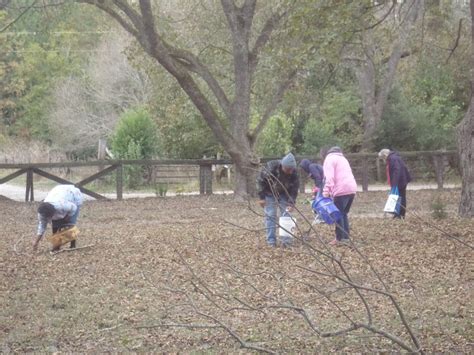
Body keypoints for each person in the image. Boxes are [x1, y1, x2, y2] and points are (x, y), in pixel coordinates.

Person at [257, 152, 299, 247]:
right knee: (270, 215)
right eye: (288, 169)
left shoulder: (294, 172)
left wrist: (291, 203)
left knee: (286, 214)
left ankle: (286, 241)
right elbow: (260, 181)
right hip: (269, 193)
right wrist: (262, 198)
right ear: (282, 165)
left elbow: (294, 189)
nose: (290, 172)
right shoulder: (271, 167)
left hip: (284, 194)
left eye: (292, 169)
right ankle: (271, 241)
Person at [321, 146, 357, 246]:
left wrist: (326, 192)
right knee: (344, 213)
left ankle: (339, 238)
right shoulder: (343, 158)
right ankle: (345, 237)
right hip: (352, 188)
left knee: (338, 214)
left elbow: (329, 178)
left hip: (341, 189)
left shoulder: (329, 159)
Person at [33, 184, 83, 251]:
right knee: (55, 224)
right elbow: (42, 226)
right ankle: (56, 245)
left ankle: (73, 245)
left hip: (73, 195)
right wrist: (36, 242)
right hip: (58, 192)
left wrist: (68, 216)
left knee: (70, 223)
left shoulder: (61, 205)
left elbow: (74, 208)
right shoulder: (42, 213)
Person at [378, 149, 411, 219]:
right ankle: (398, 214)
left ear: (385, 155)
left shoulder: (393, 159)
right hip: (400, 180)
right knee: (398, 197)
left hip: (400, 181)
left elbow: (396, 170)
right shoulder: (393, 157)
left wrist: (394, 183)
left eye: (383, 158)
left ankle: (401, 215)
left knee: (401, 198)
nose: (383, 160)